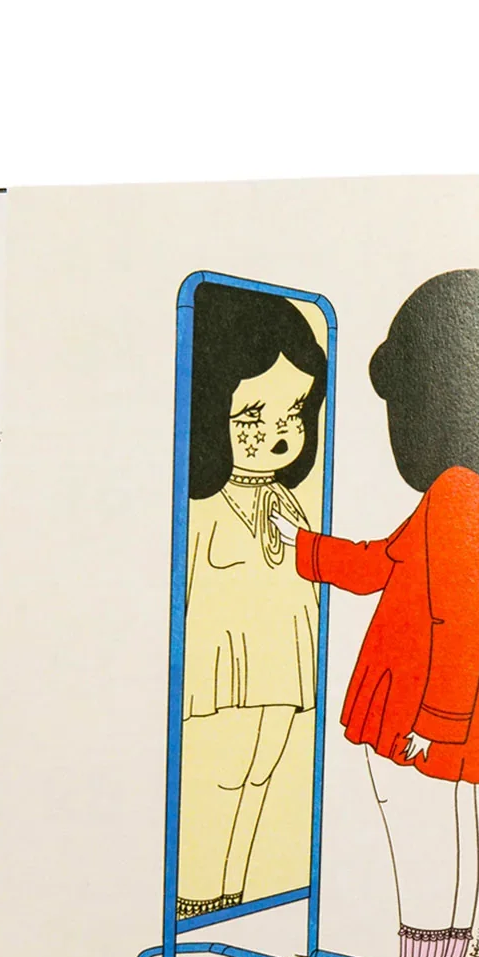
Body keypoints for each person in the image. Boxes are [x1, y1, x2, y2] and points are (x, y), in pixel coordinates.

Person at [278, 269, 479, 957]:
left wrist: (433, 726)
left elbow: (462, 623)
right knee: (446, 820)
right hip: (439, 705)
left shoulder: (459, 493)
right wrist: (305, 547)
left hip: (428, 707)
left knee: (419, 824)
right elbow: (383, 563)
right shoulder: (462, 489)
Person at [177, 282, 326, 919]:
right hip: (224, 670)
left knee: (262, 771)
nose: (279, 433)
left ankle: (232, 896)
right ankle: (195, 896)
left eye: (294, 411)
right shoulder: (203, 507)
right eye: (252, 419)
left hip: (282, 658)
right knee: (221, 772)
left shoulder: (284, 498)